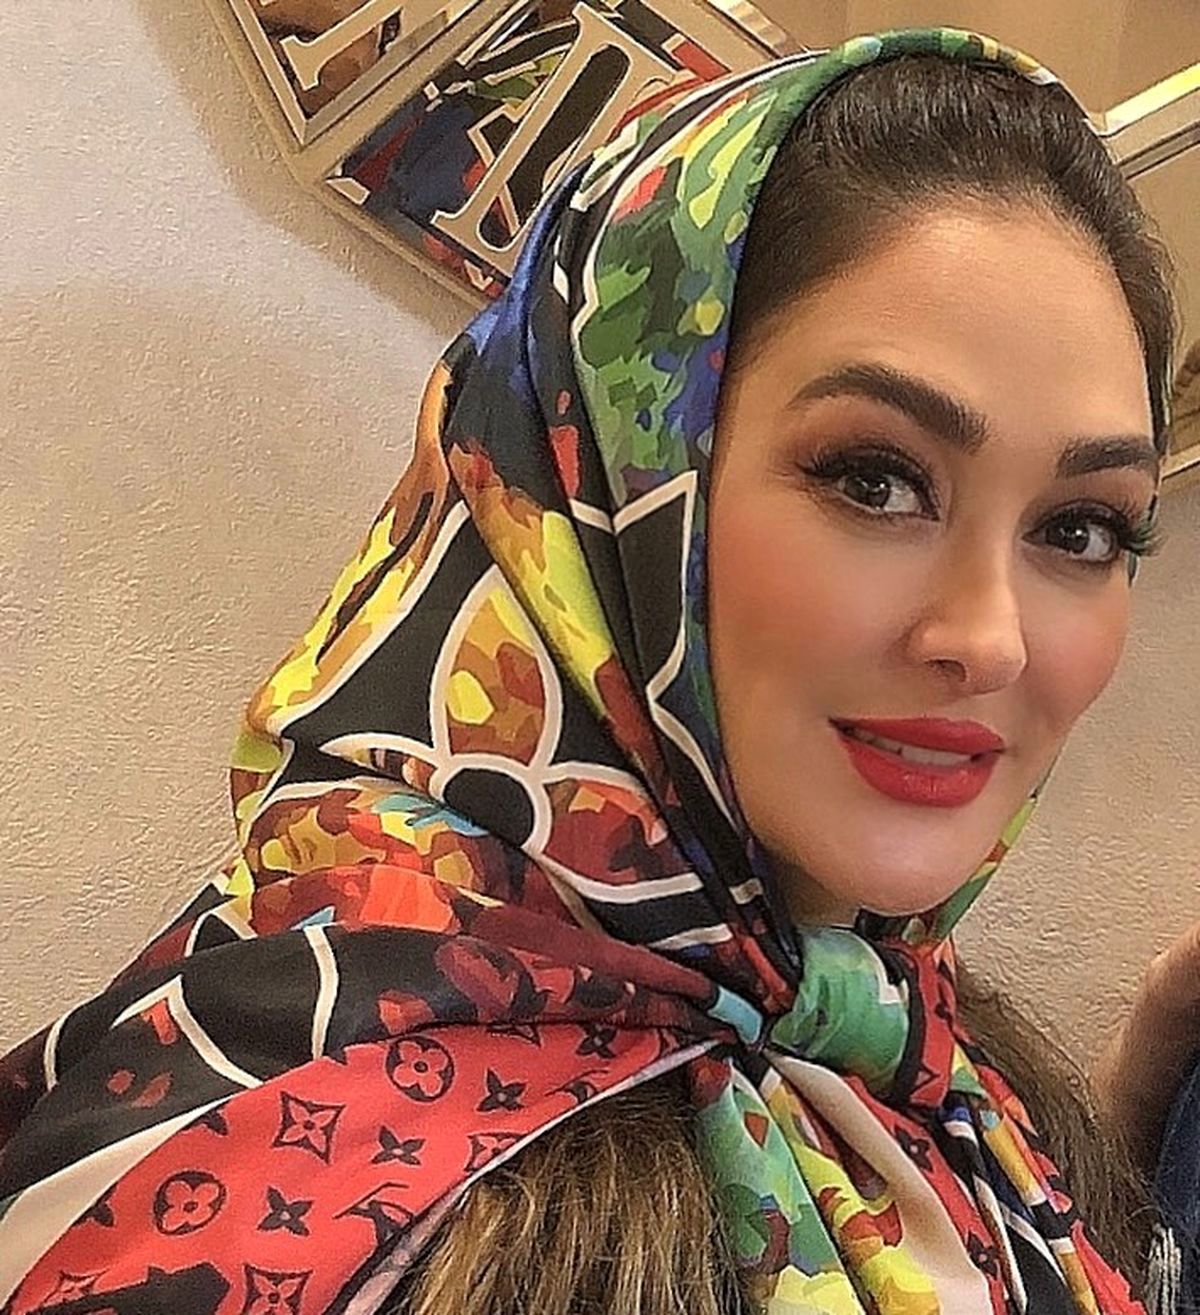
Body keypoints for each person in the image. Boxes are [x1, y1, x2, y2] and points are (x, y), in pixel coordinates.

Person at [0, 24, 1184, 1315]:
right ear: (606, 489)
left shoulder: (929, 1061)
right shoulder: (251, 1185)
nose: (994, 638)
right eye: (875, 480)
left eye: (1083, 530)